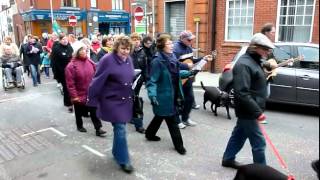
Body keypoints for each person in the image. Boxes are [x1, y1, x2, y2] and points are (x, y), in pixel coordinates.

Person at [221, 33, 275, 169]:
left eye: (269, 50)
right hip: (248, 110)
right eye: (265, 49)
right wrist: (257, 112)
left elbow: (256, 77)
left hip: (251, 108)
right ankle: (261, 171)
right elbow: (242, 92)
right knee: (259, 142)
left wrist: (267, 71)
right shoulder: (244, 64)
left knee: (239, 135)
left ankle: (227, 159)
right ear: (255, 48)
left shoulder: (255, 60)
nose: (268, 52)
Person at [87, 35, 135, 173]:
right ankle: (124, 160)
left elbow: (129, 75)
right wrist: (92, 100)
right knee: (120, 129)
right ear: (116, 47)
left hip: (125, 100)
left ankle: (116, 152)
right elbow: (97, 81)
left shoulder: (129, 60)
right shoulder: (107, 60)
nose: (125, 52)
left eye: (128, 49)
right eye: (122, 48)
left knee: (119, 129)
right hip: (112, 100)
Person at [145, 33, 196, 155]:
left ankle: (149, 134)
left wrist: (189, 73)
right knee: (173, 120)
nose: (172, 45)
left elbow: (177, 73)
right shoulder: (157, 61)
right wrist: (152, 96)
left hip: (174, 93)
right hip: (163, 97)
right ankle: (179, 146)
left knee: (159, 116)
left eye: (171, 43)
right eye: (169, 43)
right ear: (162, 46)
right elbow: (152, 81)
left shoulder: (172, 56)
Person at [65, 42, 106, 137]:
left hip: (91, 93)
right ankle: (79, 125)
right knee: (78, 112)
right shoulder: (71, 66)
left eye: (85, 49)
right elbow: (70, 84)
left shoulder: (89, 61)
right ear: (77, 52)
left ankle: (98, 128)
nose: (85, 51)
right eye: (82, 49)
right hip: (79, 94)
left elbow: (96, 73)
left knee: (93, 111)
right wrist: (74, 96)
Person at [173, 30, 204, 129]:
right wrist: (186, 65)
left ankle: (185, 118)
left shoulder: (189, 48)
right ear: (182, 39)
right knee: (177, 101)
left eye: (192, 39)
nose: (191, 41)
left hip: (188, 77)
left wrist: (203, 59)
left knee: (190, 99)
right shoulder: (176, 49)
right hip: (179, 78)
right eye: (189, 39)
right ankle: (177, 121)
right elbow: (173, 63)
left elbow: (192, 60)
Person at [51, 34, 74, 112]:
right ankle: (69, 105)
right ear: (60, 40)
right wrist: (56, 75)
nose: (65, 41)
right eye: (63, 39)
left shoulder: (70, 47)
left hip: (72, 71)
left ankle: (76, 103)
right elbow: (53, 63)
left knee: (73, 87)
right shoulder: (56, 49)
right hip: (62, 72)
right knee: (67, 88)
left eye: (66, 39)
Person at [130, 32, 147, 134]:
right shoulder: (128, 52)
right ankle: (136, 121)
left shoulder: (143, 52)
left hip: (139, 79)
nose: (136, 41)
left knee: (134, 97)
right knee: (133, 98)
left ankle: (133, 118)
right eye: (134, 39)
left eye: (138, 40)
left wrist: (146, 78)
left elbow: (145, 67)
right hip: (128, 79)